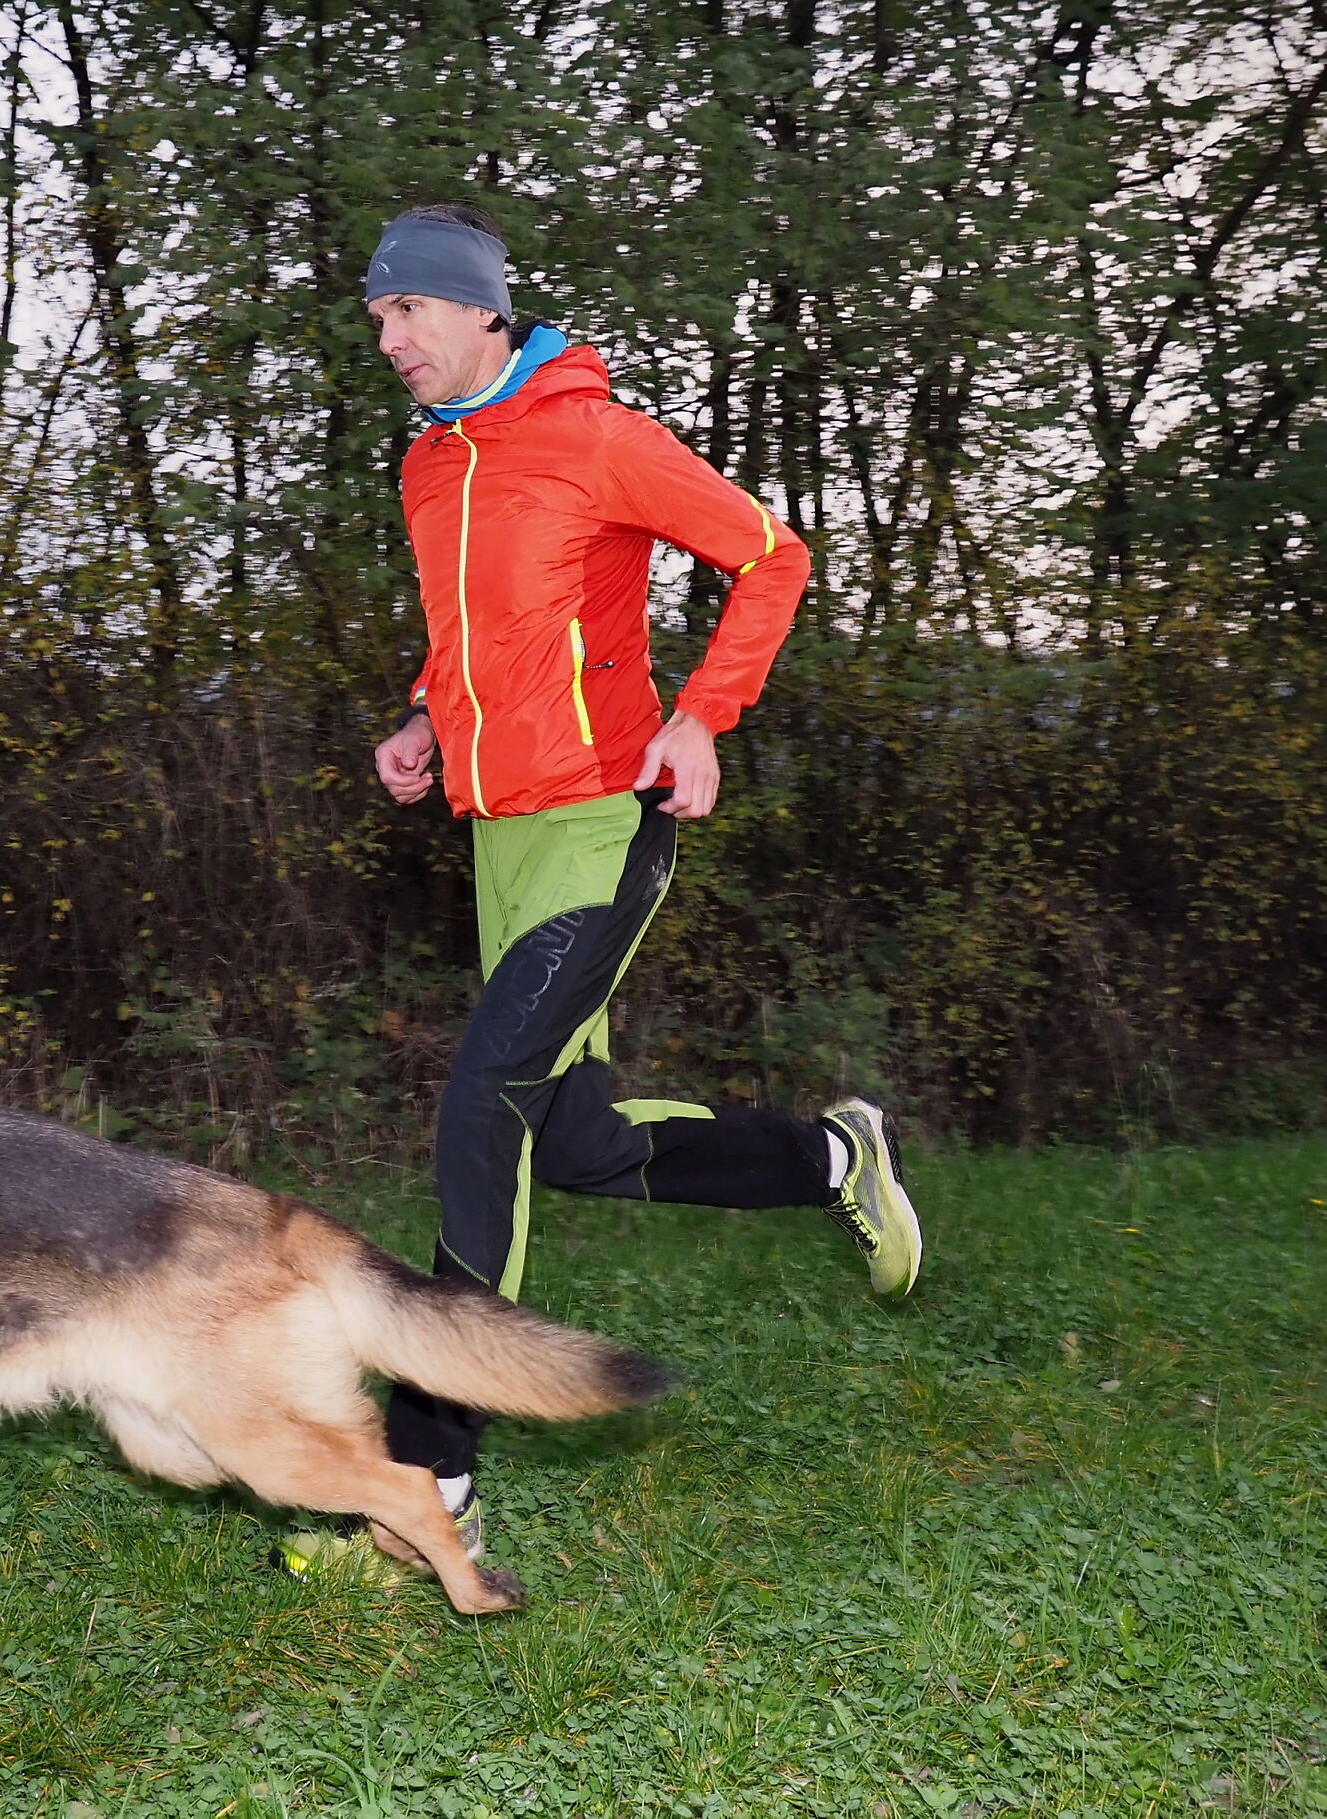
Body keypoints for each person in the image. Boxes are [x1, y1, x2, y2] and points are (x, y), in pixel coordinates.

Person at [283, 203, 921, 1580]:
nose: (386, 341)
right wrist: (422, 717)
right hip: (496, 836)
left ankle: (427, 1490)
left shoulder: (593, 434)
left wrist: (703, 717)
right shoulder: (430, 467)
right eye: (377, 320)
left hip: (600, 819)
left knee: (481, 1103)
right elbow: (481, 632)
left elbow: (771, 553)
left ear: (476, 311)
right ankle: (831, 1158)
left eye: (404, 314)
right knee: (572, 1142)